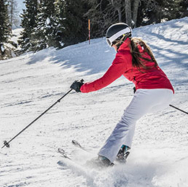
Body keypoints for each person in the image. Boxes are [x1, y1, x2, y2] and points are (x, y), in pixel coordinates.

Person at [70, 23, 174, 166]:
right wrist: (139, 87)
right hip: (166, 92)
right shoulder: (139, 47)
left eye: (110, 42)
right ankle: (121, 151)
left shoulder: (123, 55)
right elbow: (148, 70)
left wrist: (82, 88)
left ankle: (104, 159)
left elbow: (103, 81)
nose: (111, 46)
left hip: (150, 91)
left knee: (125, 121)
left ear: (118, 39)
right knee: (131, 117)